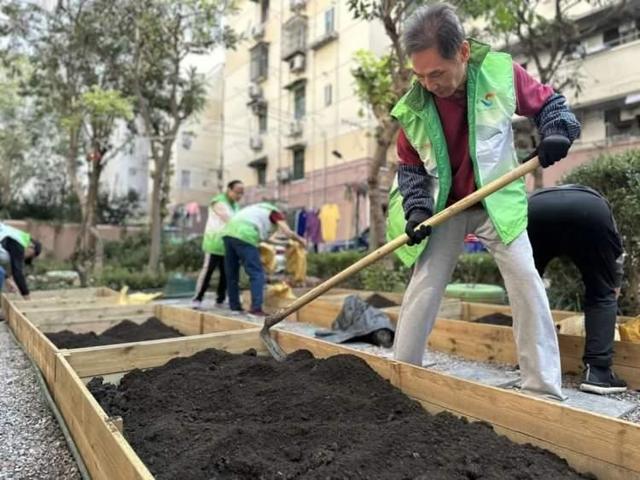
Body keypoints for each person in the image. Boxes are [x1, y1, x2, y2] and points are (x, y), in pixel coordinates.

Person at [387, 3, 581, 400]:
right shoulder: (415, 107)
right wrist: (418, 209)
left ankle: (543, 390)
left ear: (461, 52)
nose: (428, 83)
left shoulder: (499, 73)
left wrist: (557, 132)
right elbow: (410, 168)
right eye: (420, 75)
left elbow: (551, 105)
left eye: (436, 73)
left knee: (526, 281)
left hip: (496, 202)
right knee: (424, 286)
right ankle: (401, 376)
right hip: (445, 207)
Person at [528, 185, 627, 394]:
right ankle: (598, 374)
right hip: (590, 210)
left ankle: (531, 365)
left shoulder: (540, 196)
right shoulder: (599, 202)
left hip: (535, 209)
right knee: (602, 294)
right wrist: (611, 287)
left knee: (528, 292)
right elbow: (616, 255)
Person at [222, 202, 305, 316]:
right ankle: (256, 308)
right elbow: (287, 232)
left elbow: (268, 240)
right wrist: (301, 240)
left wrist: (286, 243)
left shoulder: (258, 209)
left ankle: (235, 307)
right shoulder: (275, 212)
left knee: (232, 273)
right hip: (245, 235)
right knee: (257, 273)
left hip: (228, 233)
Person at [192, 180, 244, 309]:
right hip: (214, 242)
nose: (239, 196)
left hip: (228, 245)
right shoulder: (218, 201)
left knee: (226, 273)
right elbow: (226, 217)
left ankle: (220, 300)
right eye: (237, 192)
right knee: (208, 271)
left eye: (241, 193)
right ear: (229, 190)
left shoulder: (236, 206)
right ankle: (198, 298)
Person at [0, 223, 42, 301]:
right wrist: (27, 298)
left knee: (1, 273)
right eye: (30, 255)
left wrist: (7, 279)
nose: (25, 258)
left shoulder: (15, 236)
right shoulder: (19, 243)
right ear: (31, 247)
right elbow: (17, 273)